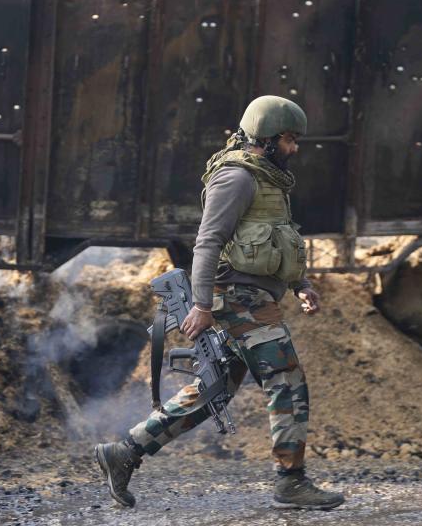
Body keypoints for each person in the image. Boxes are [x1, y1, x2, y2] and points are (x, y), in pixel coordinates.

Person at [94, 95, 344, 510]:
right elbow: (207, 243)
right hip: (238, 298)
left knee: (215, 390)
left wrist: (300, 283)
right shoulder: (237, 178)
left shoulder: (266, 178)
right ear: (265, 138)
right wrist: (203, 305)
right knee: (286, 379)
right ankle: (291, 482)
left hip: (252, 295)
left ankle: (125, 452)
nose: (294, 149)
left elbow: (277, 238)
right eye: (289, 139)